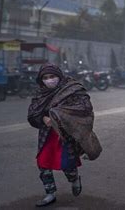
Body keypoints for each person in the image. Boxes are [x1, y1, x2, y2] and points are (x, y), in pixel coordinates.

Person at [27, 63, 102, 207]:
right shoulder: (40, 94)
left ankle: (74, 180)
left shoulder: (72, 89)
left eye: (52, 76)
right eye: (46, 78)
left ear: (59, 76)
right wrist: (43, 118)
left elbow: (84, 108)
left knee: (67, 164)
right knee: (43, 163)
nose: (49, 80)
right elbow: (32, 114)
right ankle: (50, 194)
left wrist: (57, 116)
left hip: (66, 134)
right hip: (47, 135)